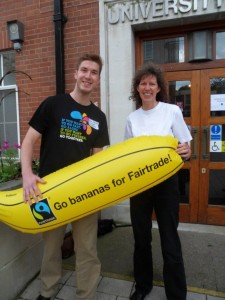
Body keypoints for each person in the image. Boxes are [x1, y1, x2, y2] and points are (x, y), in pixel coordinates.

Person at [21, 53, 110, 300]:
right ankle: (47, 292)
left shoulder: (98, 118)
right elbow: (28, 141)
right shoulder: (53, 104)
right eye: (84, 70)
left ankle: (86, 295)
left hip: (84, 193)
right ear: (75, 73)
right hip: (45, 190)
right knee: (50, 247)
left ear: (98, 79)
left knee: (87, 250)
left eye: (93, 72)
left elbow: (97, 161)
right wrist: (28, 175)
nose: (88, 76)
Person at [124, 62, 192, 300]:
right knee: (141, 238)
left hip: (167, 185)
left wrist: (186, 151)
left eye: (152, 83)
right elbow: (128, 155)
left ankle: (176, 294)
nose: (147, 87)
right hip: (139, 185)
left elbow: (186, 147)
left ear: (159, 87)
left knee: (169, 237)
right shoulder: (132, 118)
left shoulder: (171, 111)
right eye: (143, 83)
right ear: (137, 88)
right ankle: (143, 287)